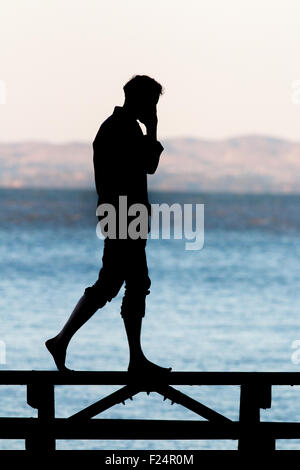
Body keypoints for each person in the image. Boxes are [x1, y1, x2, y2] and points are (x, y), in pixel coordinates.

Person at [46, 75, 172, 375]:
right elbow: (149, 165)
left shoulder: (122, 127)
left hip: (125, 215)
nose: (153, 110)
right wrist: (153, 129)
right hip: (122, 216)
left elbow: (147, 166)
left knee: (123, 283)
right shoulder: (120, 129)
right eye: (152, 103)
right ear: (139, 99)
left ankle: (72, 343)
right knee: (124, 283)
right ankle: (70, 342)